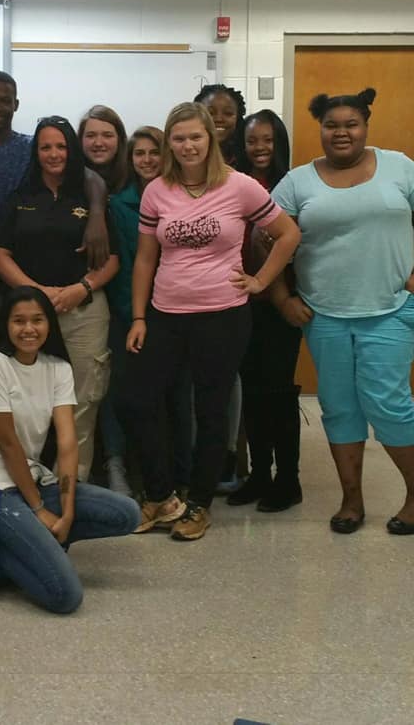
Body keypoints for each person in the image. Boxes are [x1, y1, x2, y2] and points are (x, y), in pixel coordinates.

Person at [121, 102, 300, 541]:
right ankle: (162, 497)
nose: (187, 145)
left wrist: (259, 281)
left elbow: (289, 234)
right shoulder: (156, 191)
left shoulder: (239, 187)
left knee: (211, 411)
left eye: (195, 137)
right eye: (178, 138)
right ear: (170, 143)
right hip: (165, 314)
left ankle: (199, 503)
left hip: (223, 316)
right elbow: (145, 259)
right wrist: (139, 316)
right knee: (137, 400)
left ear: (211, 139)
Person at [0, 287, 140, 613]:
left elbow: (68, 442)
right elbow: (8, 443)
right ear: (6, 324)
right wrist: (39, 509)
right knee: (66, 596)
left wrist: (68, 508)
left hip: (34, 480)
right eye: (19, 321)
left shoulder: (57, 367)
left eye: (37, 320)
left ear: (49, 324)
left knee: (127, 514)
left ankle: (26, 542)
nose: (28, 329)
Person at [271, 88, 414, 536]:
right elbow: (266, 240)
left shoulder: (400, 166)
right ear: (321, 130)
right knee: (338, 408)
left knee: (390, 404)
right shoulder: (297, 181)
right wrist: (282, 298)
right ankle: (352, 499)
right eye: (332, 125)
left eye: (351, 124)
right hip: (324, 315)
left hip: (389, 308)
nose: (341, 132)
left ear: (365, 125)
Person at [0, 117, 119, 482]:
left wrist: (83, 287)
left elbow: (114, 259)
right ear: (36, 152)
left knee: (82, 403)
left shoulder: (91, 198)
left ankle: (73, 488)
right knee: (26, 403)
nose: (54, 154)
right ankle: (24, 485)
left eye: (61, 146)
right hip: (30, 314)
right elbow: (0, 253)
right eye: (46, 147)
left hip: (84, 310)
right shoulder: (20, 198)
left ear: (71, 150)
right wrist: (35, 293)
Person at [104, 126, 195, 497]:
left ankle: (182, 480)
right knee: (136, 399)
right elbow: (128, 264)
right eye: (138, 154)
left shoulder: (185, 198)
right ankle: (145, 480)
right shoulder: (118, 203)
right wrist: (136, 314)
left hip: (178, 314)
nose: (146, 160)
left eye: (153, 153)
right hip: (132, 315)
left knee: (178, 398)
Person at [225, 110, 304, 511]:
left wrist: (284, 294)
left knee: (278, 392)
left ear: (280, 143)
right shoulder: (235, 183)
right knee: (253, 392)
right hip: (241, 303)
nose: (259, 148)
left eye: (268, 140)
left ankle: (288, 479)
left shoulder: (294, 186)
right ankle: (258, 474)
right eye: (252, 140)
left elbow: (293, 246)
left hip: (282, 303)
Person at [0, 71, 109, 267]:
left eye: (4, 101)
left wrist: (96, 215)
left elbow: (90, 177)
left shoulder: (34, 147)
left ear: (15, 105)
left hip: (23, 258)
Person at [194, 84, 249, 492]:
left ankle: (234, 458)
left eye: (227, 111)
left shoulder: (248, 165)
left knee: (233, 380)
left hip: (242, 291)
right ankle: (202, 457)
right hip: (191, 293)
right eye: (210, 111)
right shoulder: (182, 161)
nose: (219, 118)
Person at [78, 104, 130, 195]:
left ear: (120, 139)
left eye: (107, 135)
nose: (98, 143)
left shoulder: (135, 180)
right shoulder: (67, 180)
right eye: (91, 135)